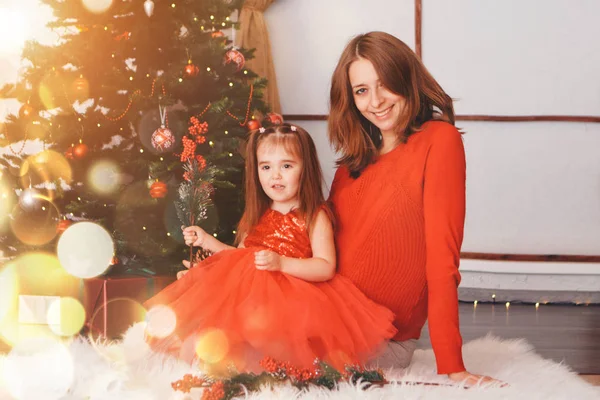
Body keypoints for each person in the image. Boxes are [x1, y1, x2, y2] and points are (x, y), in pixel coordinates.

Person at [144, 123, 396, 373]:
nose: (275, 175)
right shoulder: (257, 215)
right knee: (214, 334)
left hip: (290, 299)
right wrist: (206, 240)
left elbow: (325, 266)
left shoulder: (314, 216)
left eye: (286, 166)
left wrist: (281, 263)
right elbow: (238, 257)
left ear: (305, 169)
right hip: (248, 298)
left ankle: (261, 364)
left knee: (269, 344)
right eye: (266, 167)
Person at [328, 31, 501, 385]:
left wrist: (453, 366)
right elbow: (318, 251)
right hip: (327, 312)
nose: (375, 101)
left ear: (406, 79)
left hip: (380, 338)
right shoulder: (350, 167)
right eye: (361, 91)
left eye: (384, 84)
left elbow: (442, 260)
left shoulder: (439, 142)